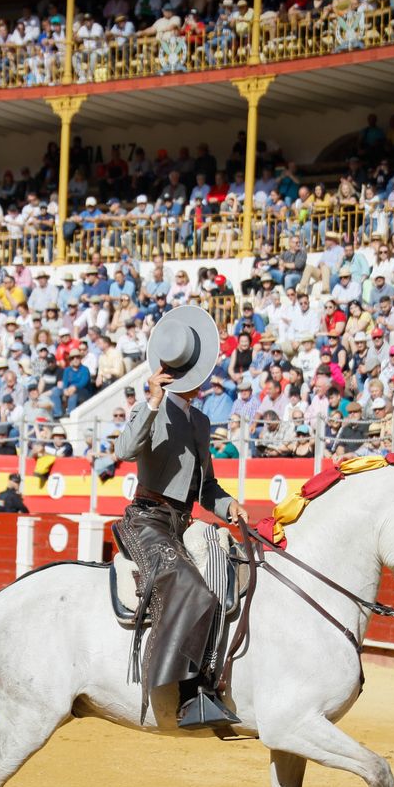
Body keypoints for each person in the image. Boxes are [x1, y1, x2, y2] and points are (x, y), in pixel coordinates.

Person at [114, 307, 251, 731]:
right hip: (146, 522)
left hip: (180, 525)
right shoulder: (150, 407)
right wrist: (152, 401)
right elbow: (124, 450)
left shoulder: (201, 420)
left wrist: (229, 506)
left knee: (224, 577)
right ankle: (190, 696)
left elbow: (206, 485)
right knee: (193, 588)